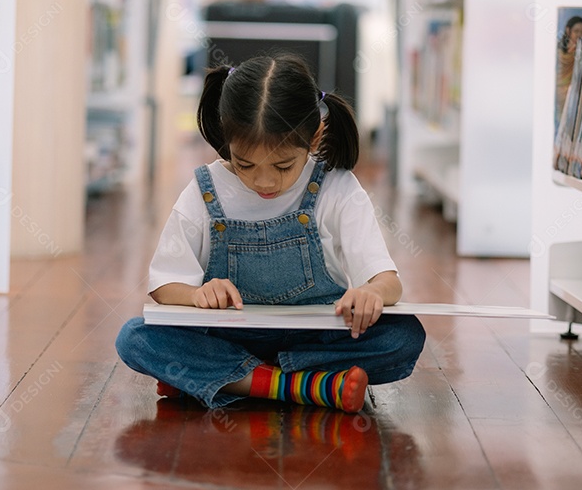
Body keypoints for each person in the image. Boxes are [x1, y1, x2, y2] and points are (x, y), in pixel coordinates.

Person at [116, 54, 424, 413]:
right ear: (226, 137)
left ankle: (224, 379)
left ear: (314, 137)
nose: (264, 181)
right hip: (230, 337)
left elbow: (388, 281)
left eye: (283, 166)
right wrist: (197, 293)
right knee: (135, 338)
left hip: (316, 340)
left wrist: (372, 293)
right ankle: (306, 386)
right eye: (244, 164)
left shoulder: (336, 187)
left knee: (404, 336)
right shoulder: (205, 190)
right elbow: (164, 287)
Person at [555, 15, 582, 127]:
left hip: (574, 88)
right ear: (568, 30)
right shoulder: (561, 48)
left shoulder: (581, 48)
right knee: (562, 119)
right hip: (561, 88)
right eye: (576, 31)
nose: (579, 34)